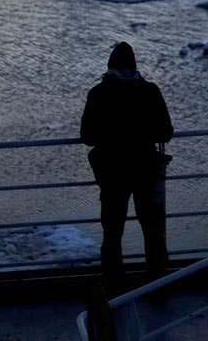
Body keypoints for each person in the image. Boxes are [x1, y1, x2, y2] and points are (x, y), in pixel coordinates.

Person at [80, 42, 173, 287]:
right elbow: (165, 133)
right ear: (134, 66)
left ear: (109, 66)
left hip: (111, 173)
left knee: (112, 233)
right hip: (145, 170)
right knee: (152, 231)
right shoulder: (150, 91)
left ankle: (114, 285)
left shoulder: (98, 93)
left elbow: (87, 136)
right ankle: (157, 283)